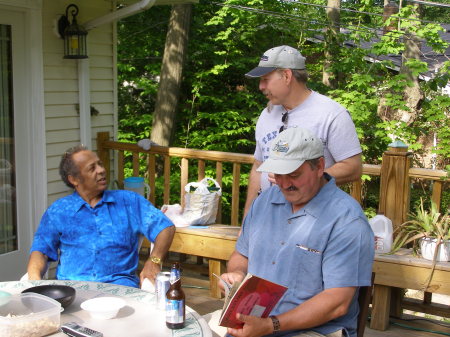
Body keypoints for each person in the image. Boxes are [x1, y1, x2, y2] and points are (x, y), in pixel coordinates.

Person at [212, 127, 374, 337]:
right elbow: (241, 255)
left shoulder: (347, 220)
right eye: (278, 175)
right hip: (255, 324)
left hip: (314, 331)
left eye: (294, 175)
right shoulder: (265, 201)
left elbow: (338, 302)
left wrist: (271, 325)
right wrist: (237, 273)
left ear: (319, 167)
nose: (285, 183)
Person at [27, 145, 175, 288]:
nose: (102, 170)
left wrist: (154, 260)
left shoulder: (128, 202)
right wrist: (35, 282)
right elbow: (41, 251)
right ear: (74, 180)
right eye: (92, 168)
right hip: (72, 290)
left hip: (120, 290)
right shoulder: (59, 210)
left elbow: (165, 227)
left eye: (100, 165)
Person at [244, 45, 362, 216]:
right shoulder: (267, 114)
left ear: (286, 75)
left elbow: (353, 168)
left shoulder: (331, 114)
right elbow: (258, 167)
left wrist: (300, 179)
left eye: (265, 79)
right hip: (267, 216)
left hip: (313, 217)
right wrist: (248, 217)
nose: (261, 86)